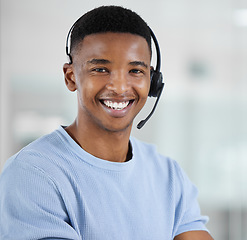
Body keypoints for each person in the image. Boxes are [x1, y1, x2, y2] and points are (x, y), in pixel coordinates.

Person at [0, 5, 214, 240]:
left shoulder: (167, 174)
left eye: (135, 71)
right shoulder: (34, 174)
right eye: (101, 69)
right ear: (71, 77)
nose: (120, 88)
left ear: (152, 81)